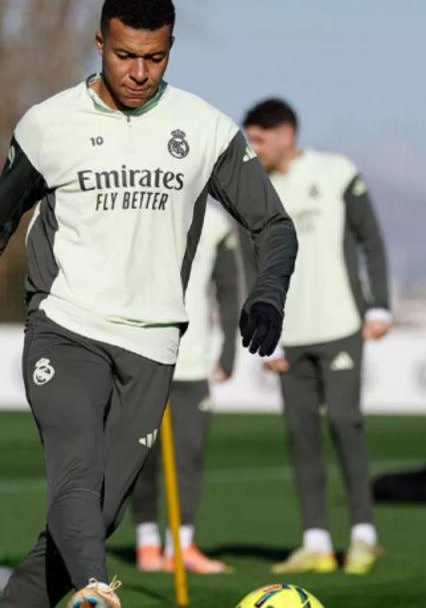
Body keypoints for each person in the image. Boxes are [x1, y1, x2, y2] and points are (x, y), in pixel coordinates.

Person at [0, 0, 297, 608]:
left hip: (153, 347)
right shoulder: (48, 125)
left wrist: (268, 292)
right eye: (123, 55)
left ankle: (61, 588)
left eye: (155, 58)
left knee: (91, 517)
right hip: (66, 326)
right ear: (99, 43)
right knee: (76, 473)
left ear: (170, 49)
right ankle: (94, 594)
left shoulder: (205, 128)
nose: (138, 72)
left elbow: (272, 225)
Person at [242, 98, 392, 575]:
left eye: (260, 138)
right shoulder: (257, 189)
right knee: (300, 434)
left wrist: (379, 304)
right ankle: (317, 544)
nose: (254, 147)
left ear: (287, 133)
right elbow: (253, 262)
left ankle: (364, 536)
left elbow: (371, 239)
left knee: (346, 423)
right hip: (289, 334)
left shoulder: (337, 172)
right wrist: (266, 332)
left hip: (342, 324)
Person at [129, 201, 242, 574]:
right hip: (140, 359)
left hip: (192, 364)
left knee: (188, 456)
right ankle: (147, 544)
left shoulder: (215, 221)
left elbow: (228, 288)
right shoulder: (139, 206)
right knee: (141, 457)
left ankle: (181, 546)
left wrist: (228, 351)